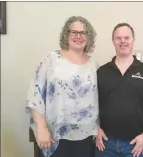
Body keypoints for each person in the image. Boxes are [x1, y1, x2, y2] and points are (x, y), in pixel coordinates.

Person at [25, 16, 99, 157]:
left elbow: (100, 98)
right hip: (55, 135)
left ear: (88, 37)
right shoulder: (51, 59)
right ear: (66, 34)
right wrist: (42, 127)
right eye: (74, 32)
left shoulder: (93, 64)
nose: (78, 36)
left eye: (83, 33)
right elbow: (35, 95)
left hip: (87, 136)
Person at [95, 23, 143, 157]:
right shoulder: (102, 72)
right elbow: (93, 104)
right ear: (113, 41)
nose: (122, 41)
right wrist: (97, 129)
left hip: (136, 144)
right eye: (118, 38)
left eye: (126, 37)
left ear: (133, 40)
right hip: (106, 144)